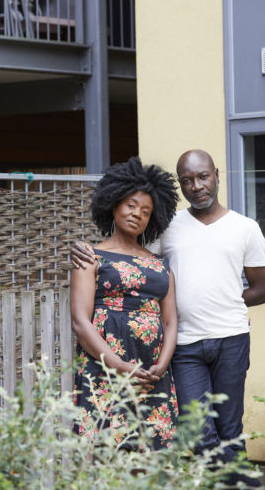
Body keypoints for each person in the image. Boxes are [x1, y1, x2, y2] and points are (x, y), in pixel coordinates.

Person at [71, 149, 265, 485]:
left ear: (217, 174)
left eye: (203, 176)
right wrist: (76, 246)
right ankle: (240, 483)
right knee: (195, 430)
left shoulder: (245, 228)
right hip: (185, 345)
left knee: (229, 428)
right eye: (187, 181)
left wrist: (223, 304)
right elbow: (126, 258)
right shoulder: (170, 226)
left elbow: (263, 290)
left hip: (229, 337)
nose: (196, 186)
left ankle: (232, 483)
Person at [71, 156, 180, 449]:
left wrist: (161, 366)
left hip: (150, 372)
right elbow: (80, 322)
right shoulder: (89, 257)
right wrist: (120, 366)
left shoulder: (160, 265)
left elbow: (170, 321)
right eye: (131, 205)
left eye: (146, 211)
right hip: (106, 368)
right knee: (108, 453)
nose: (137, 214)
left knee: (150, 454)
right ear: (114, 204)